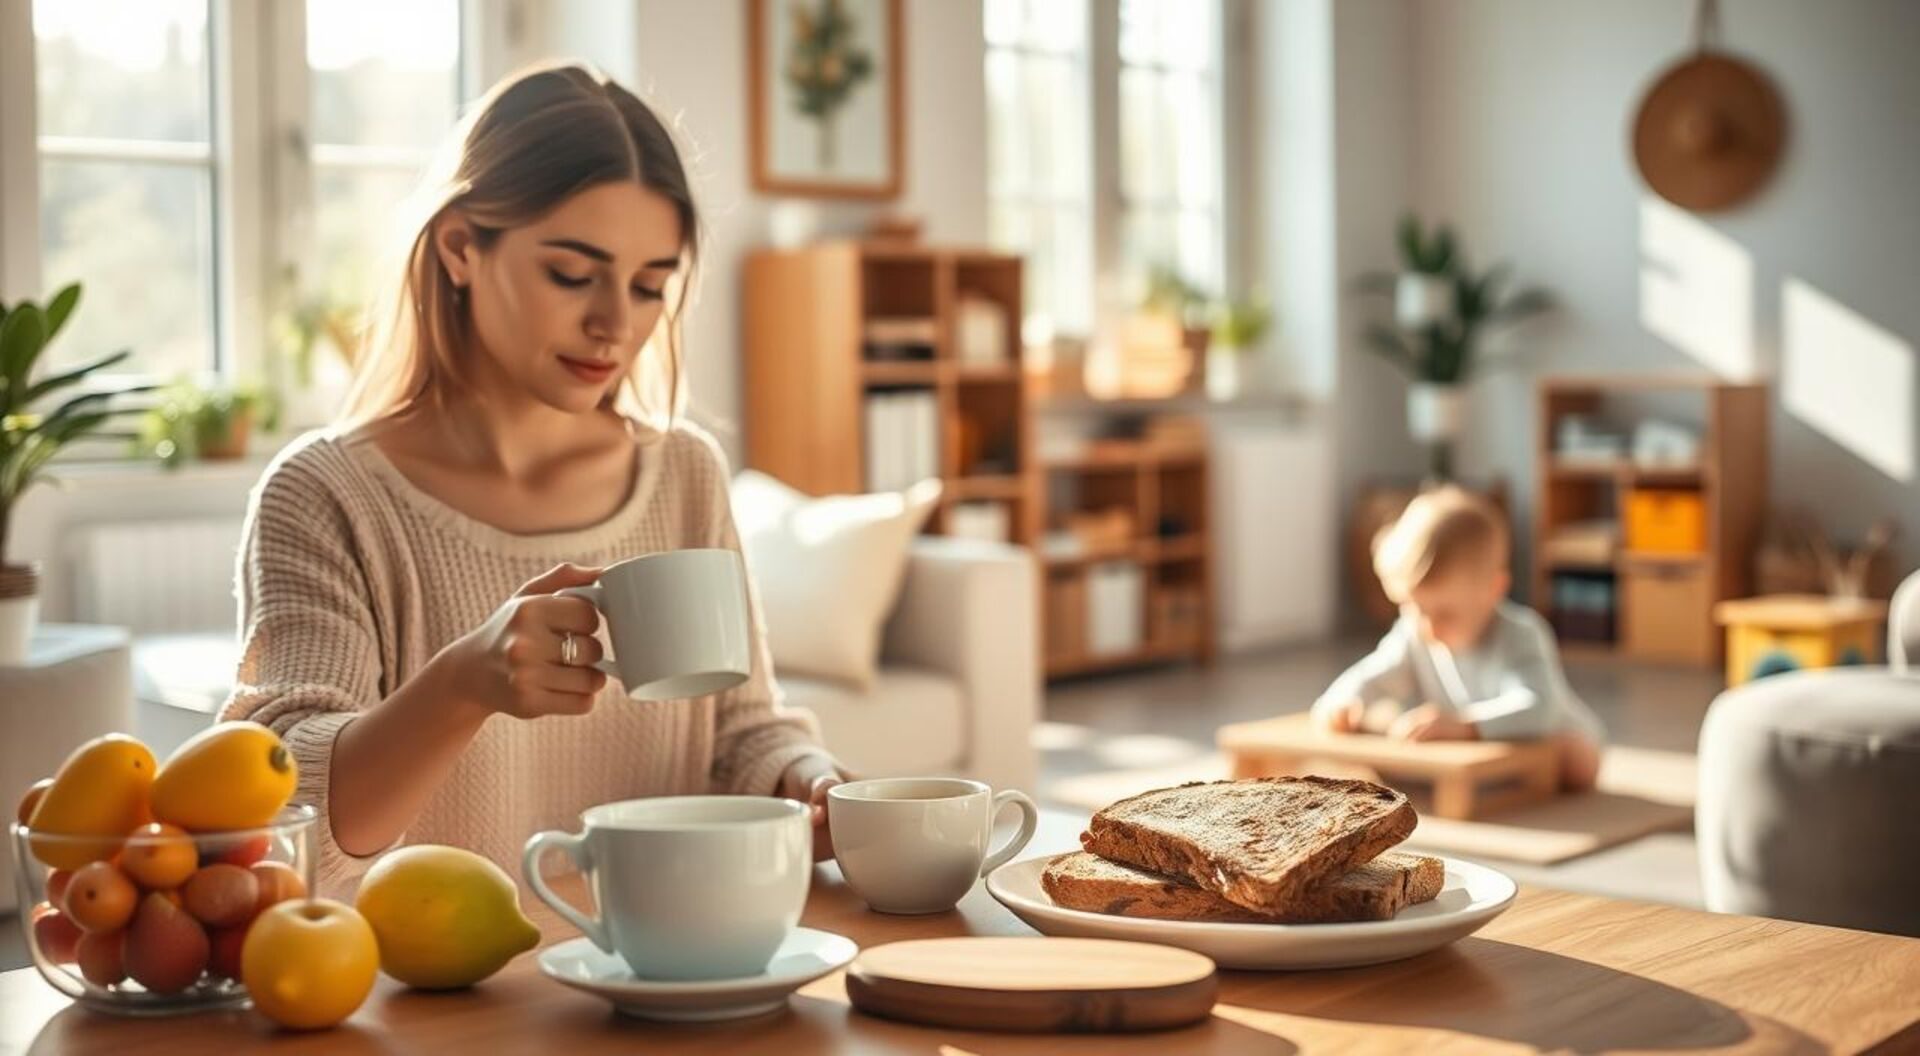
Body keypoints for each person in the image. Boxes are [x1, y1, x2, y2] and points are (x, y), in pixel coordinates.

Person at [221, 62, 844, 893]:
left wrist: (806, 779)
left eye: (650, 286)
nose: (616, 323)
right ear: (459, 249)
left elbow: (738, 729)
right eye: (572, 274)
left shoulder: (683, 471)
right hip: (433, 1005)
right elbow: (286, 817)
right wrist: (460, 684)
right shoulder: (327, 495)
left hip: (667, 984)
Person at [1309, 486, 1604, 791]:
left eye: (1446, 614)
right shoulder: (1414, 631)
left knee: (1577, 759)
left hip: (1539, 734)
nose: (1428, 626)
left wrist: (1466, 726)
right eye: (1413, 608)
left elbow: (1538, 707)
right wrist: (1343, 701)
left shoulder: (1522, 633)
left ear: (1494, 589)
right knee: (1386, 732)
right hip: (1471, 750)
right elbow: (1373, 673)